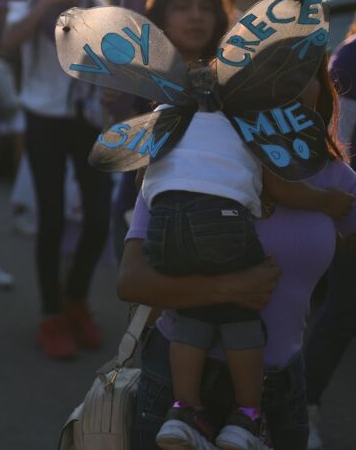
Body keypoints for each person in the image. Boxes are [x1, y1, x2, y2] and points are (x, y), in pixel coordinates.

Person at [121, 61, 356, 450]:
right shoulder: (189, 158)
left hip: (282, 392)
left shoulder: (331, 174)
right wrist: (227, 289)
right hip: (182, 394)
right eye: (272, 70)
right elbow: (131, 281)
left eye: (304, 72)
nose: (288, 86)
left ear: (321, 88)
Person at [0, 0, 111, 359]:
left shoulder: (101, 8)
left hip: (88, 120)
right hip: (43, 118)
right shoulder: (27, 5)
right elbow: (7, 43)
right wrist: (47, 3)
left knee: (98, 218)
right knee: (52, 220)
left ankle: (76, 297)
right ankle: (52, 314)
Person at [110, 0, 233, 260]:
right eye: (183, 7)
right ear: (161, 15)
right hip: (140, 212)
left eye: (205, 8)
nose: (196, 17)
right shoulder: (135, 76)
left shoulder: (234, 80)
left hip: (217, 218)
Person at [303, 28, 356, 449]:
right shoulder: (351, 60)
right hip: (352, 208)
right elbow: (339, 141)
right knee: (342, 313)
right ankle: (303, 406)